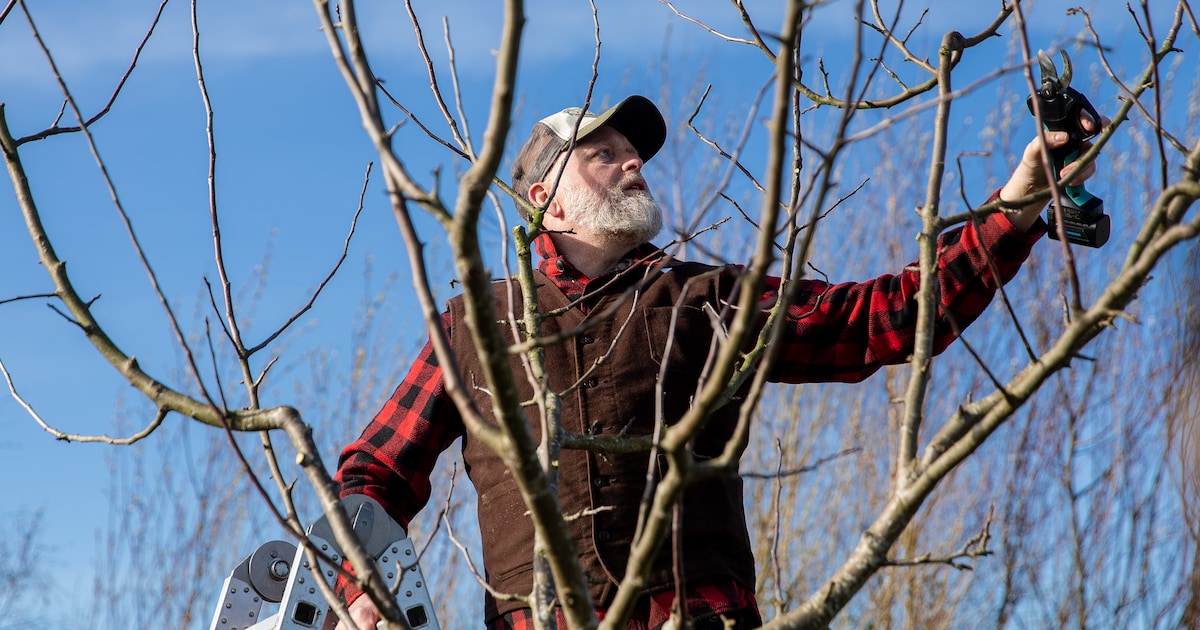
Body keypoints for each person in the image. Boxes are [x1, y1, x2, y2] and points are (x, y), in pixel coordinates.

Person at [334, 94, 1101, 629]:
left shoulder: (706, 298)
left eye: (635, 154)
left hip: (697, 619)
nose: (633, 164)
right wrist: (359, 582)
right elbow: (377, 469)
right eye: (604, 155)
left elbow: (885, 318)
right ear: (548, 201)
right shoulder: (475, 321)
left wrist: (1017, 205)